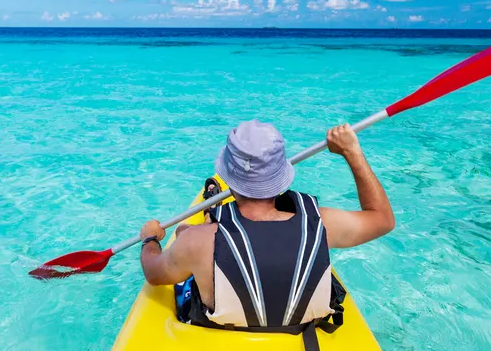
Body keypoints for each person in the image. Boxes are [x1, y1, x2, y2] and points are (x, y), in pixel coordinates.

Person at [138, 119, 395, 338]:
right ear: (281, 175)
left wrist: (150, 238)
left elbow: (154, 273)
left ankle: (212, 218)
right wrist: (352, 152)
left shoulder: (195, 242)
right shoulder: (324, 225)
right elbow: (383, 219)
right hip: (303, 335)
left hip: (221, 333)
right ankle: (214, 221)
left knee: (190, 239)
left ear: (228, 177)